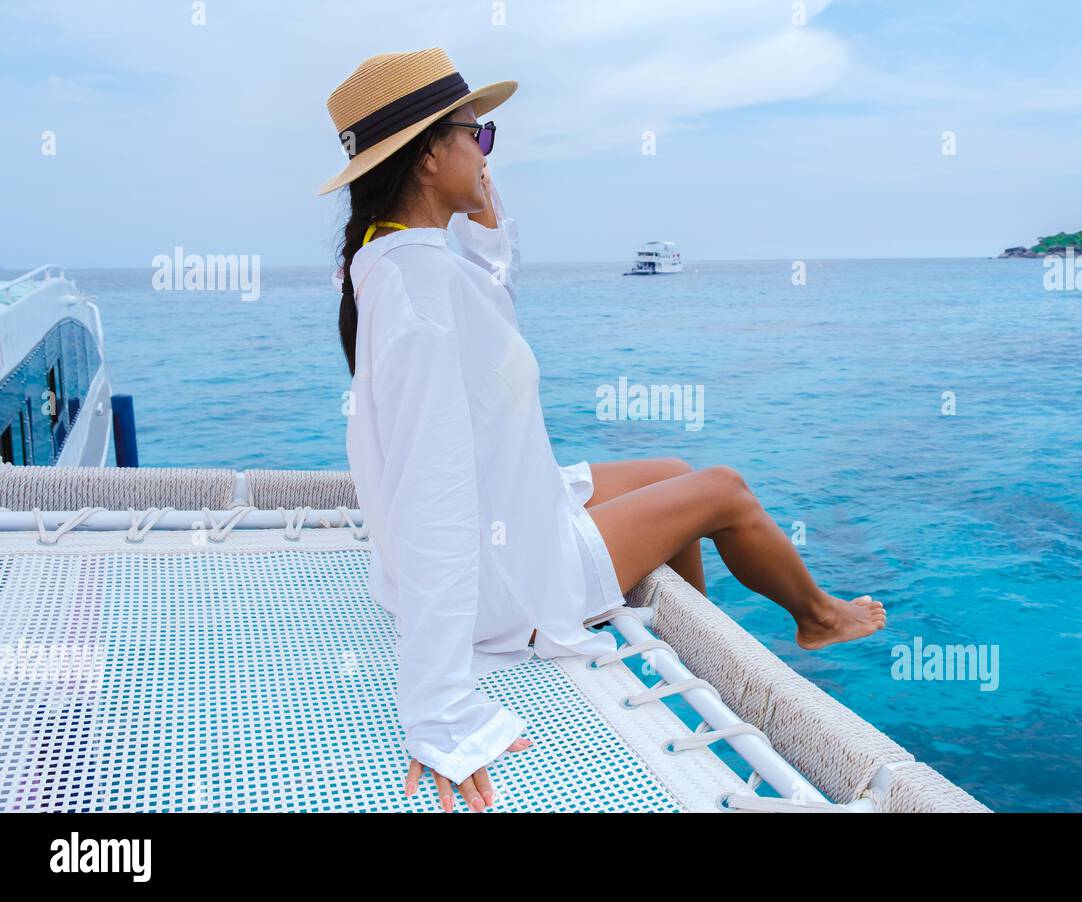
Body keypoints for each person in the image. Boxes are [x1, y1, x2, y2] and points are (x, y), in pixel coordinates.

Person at [319, 47, 886, 814]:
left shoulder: (399, 257)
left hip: (510, 516)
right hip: (505, 578)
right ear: (429, 157)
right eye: (477, 136)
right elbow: (436, 497)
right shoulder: (420, 291)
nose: (487, 154)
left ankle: (690, 655)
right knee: (723, 489)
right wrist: (440, 711)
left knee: (673, 467)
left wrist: (487, 228)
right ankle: (817, 619)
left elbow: (487, 332)